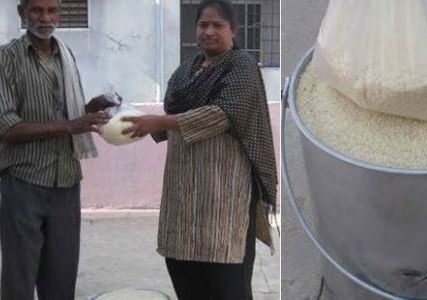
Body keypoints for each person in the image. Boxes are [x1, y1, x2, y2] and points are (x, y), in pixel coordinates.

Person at [121, 0, 277, 299]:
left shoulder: (241, 66)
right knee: (186, 279)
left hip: (224, 203)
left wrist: (158, 120)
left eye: (217, 25)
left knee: (228, 286)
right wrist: (121, 113)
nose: (208, 31)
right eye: (203, 25)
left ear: (233, 30)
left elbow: (222, 114)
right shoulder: (184, 73)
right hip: (182, 203)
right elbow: (165, 124)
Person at [0, 0, 115, 299]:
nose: (45, 18)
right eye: (37, 10)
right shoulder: (7, 58)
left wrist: (92, 107)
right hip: (24, 183)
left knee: (61, 281)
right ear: (22, 13)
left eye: (52, 10)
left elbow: (69, 114)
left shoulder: (65, 54)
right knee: (19, 280)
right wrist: (71, 125)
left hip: (66, 182)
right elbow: (8, 128)